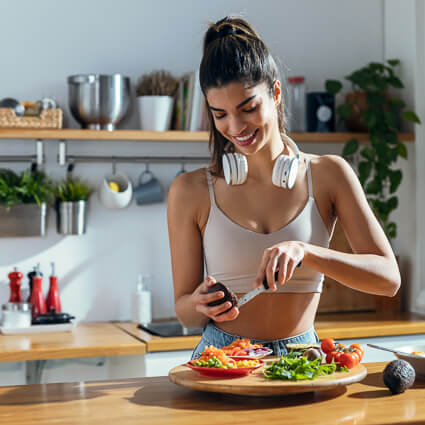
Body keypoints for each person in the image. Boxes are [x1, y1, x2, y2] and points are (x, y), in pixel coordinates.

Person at [167, 16, 400, 358]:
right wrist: (200, 305)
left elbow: (388, 279)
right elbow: (183, 310)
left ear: (275, 94)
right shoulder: (190, 191)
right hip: (223, 357)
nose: (235, 127)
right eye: (220, 115)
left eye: (248, 108)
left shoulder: (329, 174)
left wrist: (306, 252)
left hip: (302, 358)